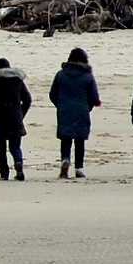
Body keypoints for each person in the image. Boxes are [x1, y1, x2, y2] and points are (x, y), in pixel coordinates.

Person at [48, 47, 101, 178]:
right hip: (81, 109)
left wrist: (60, 105)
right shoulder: (88, 76)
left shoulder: (60, 74)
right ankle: (79, 168)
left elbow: (52, 94)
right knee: (80, 139)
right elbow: (94, 97)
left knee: (65, 138)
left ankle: (65, 159)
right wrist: (88, 107)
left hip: (64, 109)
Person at [0, 57, 32, 181]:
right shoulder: (18, 82)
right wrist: (21, 114)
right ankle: (18, 162)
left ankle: (4, 173)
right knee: (15, 146)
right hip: (15, 117)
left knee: (1, 148)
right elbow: (27, 100)